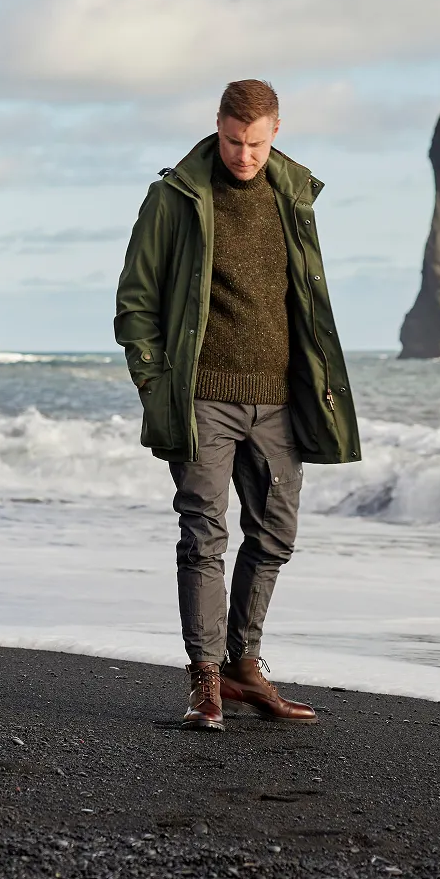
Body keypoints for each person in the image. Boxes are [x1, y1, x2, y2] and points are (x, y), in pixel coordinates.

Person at [115, 80, 360, 732]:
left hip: (279, 400)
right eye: (231, 141)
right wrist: (155, 383)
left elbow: (302, 299)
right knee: (204, 534)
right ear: (216, 126)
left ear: (275, 130)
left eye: (253, 143)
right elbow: (135, 301)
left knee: (276, 534)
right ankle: (204, 681)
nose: (242, 156)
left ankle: (242, 664)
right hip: (202, 399)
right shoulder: (174, 197)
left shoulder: (294, 194)